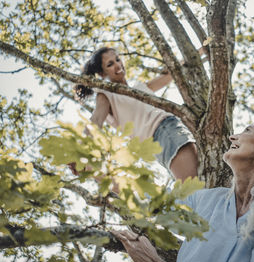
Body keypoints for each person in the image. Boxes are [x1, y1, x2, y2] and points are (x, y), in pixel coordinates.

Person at [112, 120, 254, 262]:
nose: (233, 137)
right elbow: (150, 199)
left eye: (246, 131)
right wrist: (101, 170)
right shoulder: (207, 199)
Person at [73, 47, 199, 181]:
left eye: (117, 59)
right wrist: (80, 152)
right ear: (102, 73)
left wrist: (201, 50)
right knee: (195, 186)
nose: (117, 65)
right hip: (161, 134)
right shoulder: (107, 94)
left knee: (203, 181)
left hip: (174, 128)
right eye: (110, 64)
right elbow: (96, 119)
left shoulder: (140, 87)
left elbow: (173, 72)